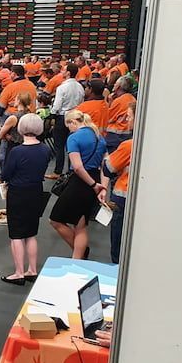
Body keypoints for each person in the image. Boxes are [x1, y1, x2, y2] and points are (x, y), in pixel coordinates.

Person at [49, 109, 107, 260]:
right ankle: (78, 257)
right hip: (94, 179)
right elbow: (106, 166)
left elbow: (77, 167)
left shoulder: (74, 138)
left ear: (72, 122)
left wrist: (93, 185)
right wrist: (102, 188)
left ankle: (79, 252)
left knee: (55, 219)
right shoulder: (99, 138)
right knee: (80, 225)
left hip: (80, 181)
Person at [0, 113, 50, 285]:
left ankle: (19, 272)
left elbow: (5, 174)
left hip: (18, 193)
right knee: (31, 233)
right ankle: (32, 270)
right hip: (36, 192)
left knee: (16, 235)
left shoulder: (17, 151)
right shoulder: (45, 149)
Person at [100, 102, 134, 264]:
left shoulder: (128, 146)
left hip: (123, 200)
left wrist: (107, 157)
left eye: (129, 116)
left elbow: (108, 169)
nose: (127, 119)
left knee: (119, 248)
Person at [49, 69, 84, 179]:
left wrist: (52, 116)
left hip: (62, 117)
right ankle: (71, 172)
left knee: (59, 146)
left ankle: (57, 172)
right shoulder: (80, 87)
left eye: (63, 70)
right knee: (72, 146)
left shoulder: (62, 87)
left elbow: (57, 105)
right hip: (76, 117)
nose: (61, 72)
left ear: (68, 73)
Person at [104, 76, 136, 155]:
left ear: (118, 86)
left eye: (115, 83)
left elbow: (108, 118)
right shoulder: (132, 99)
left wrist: (109, 102)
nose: (114, 85)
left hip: (115, 138)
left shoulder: (118, 101)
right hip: (127, 135)